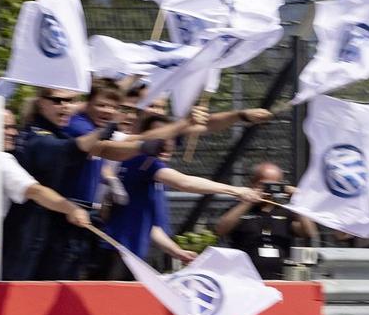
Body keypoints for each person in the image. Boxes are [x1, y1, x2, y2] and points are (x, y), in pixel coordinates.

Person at [4, 87, 192, 280]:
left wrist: (153, 140)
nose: (65, 106)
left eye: (69, 101)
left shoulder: (61, 130)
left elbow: (117, 145)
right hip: (34, 227)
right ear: (41, 102)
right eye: (58, 101)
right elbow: (71, 151)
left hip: (60, 226)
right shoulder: (45, 134)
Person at [95, 112, 261, 279]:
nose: (167, 143)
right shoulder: (145, 162)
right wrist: (237, 190)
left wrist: (177, 251)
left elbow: (149, 225)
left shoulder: (147, 170)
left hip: (131, 253)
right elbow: (184, 182)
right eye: (161, 136)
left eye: (171, 137)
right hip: (116, 252)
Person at [213, 162, 319, 279]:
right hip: (244, 276)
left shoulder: (285, 211)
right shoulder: (240, 209)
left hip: (279, 276)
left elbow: (309, 232)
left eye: (274, 185)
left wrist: (299, 201)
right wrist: (249, 201)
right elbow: (220, 230)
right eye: (265, 185)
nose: (269, 191)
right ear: (253, 183)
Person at [0, 107, 91, 231]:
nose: (13, 133)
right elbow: (35, 191)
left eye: (14, 127)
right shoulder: (1, 159)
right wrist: (72, 209)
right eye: (5, 127)